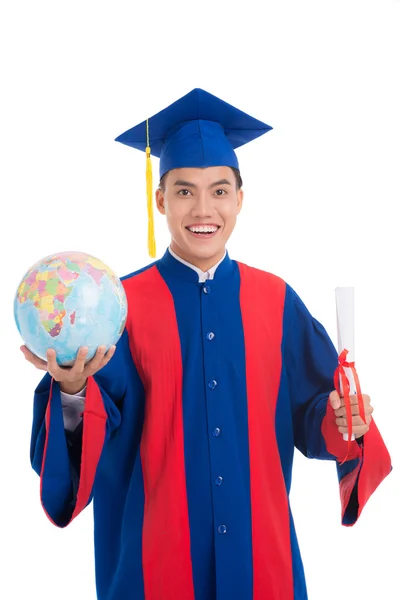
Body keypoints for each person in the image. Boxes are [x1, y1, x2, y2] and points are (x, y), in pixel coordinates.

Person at [22, 88, 392, 600]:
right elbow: (86, 444)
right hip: (152, 570)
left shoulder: (276, 301)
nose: (203, 208)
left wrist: (343, 417)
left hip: (263, 565)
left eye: (219, 191)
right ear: (160, 200)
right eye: (183, 191)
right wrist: (72, 390)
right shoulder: (117, 309)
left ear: (240, 199)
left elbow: (316, 415)